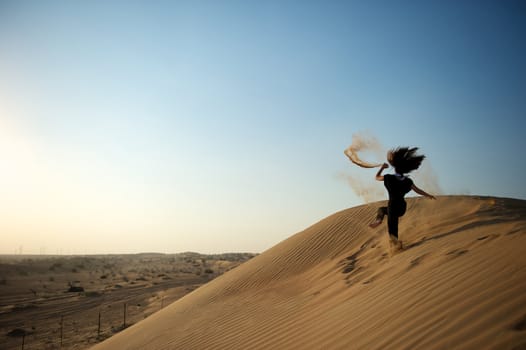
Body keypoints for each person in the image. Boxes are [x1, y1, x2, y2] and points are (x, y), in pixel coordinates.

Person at [369, 147, 436, 249]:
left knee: (392, 228)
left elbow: (377, 177)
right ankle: (392, 239)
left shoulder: (389, 178)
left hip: (392, 206)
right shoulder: (407, 181)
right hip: (402, 208)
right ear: (404, 169)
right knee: (382, 210)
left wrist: (382, 167)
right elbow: (418, 190)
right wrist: (428, 195)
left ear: (395, 168)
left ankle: (394, 244)